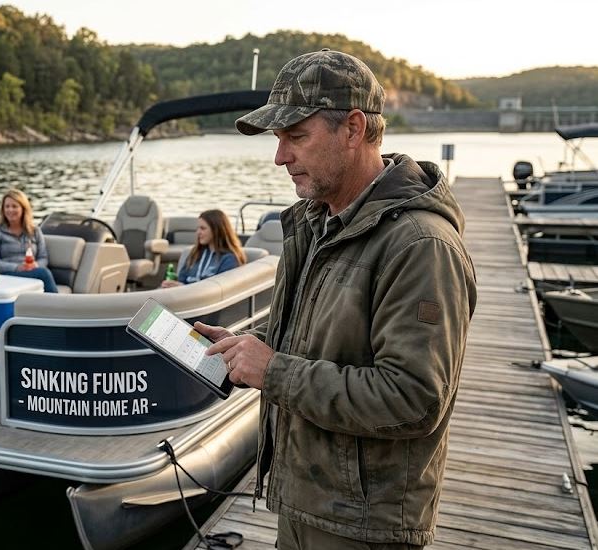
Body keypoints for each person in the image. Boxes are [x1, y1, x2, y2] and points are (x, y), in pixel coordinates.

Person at [195, 49, 477, 549]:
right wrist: (247, 349)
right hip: (303, 505)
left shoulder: (420, 245)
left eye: (295, 137)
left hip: (363, 527)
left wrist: (273, 371)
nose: (280, 156)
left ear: (352, 129)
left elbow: (414, 399)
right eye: (279, 139)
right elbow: (320, 336)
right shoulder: (315, 220)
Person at [0, 189, 58, 293]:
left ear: (23, 209)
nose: (10, 210)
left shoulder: (35, 230)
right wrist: (17, 267)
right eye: (7, 206)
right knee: (44, 274)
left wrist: (35, 265)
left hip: (31, 272)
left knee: (42, 272)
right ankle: (61, 306)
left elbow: (43, 257)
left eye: (14, 206)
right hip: (8, 275)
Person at [160, 209, 245, 288]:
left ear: (217, 230)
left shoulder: (229, 259)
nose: (198, 232)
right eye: (198, 228)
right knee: (152, 301)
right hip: (183, 299)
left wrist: (183, 288)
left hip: (206, 303)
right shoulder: (195, 253)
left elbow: (219, 290)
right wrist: (173, 284)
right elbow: (182, 279)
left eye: (203, 228)